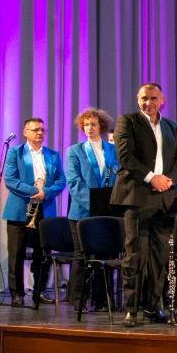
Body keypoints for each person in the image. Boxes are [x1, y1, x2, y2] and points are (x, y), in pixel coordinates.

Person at [111, 83, 177, 326]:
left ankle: (153, 307)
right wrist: (151, 177)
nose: (148, 103)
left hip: (164, 199)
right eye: (144, 98)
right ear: (138, 99)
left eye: (153, 98)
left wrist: (169, 180)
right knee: (135, 254)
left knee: (159, 257)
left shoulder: (171, 126)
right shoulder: (127, 122)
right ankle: (131, 309)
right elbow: (125, 157)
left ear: (162, 100)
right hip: (137, 197)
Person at [3, 118, 66, 307]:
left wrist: (45, 193)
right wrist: (34, 192)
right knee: (16, 254)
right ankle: (17, 294)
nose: (39, 133)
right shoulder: (15, 152)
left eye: (42, 130)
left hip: (45, 211)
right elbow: (10, 179)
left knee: (43, 254)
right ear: (25, 132)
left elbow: (61, 181)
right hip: (19, 210)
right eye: (35, 129)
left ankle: (39, 291)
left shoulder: (53, 155)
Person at [65, 108, 118, 312]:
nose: (89, 128)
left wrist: (109, 205)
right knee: (82, 256)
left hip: (107, 213)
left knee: (104, 257)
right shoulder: (74, 151)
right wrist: (94, 205)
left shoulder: (113, 150)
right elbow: (74, 182)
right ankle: (78, 299)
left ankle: (101, 300)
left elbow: (119, 178)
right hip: (82, 213)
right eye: (86, 125)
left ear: (101, 126)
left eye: (93, 124)